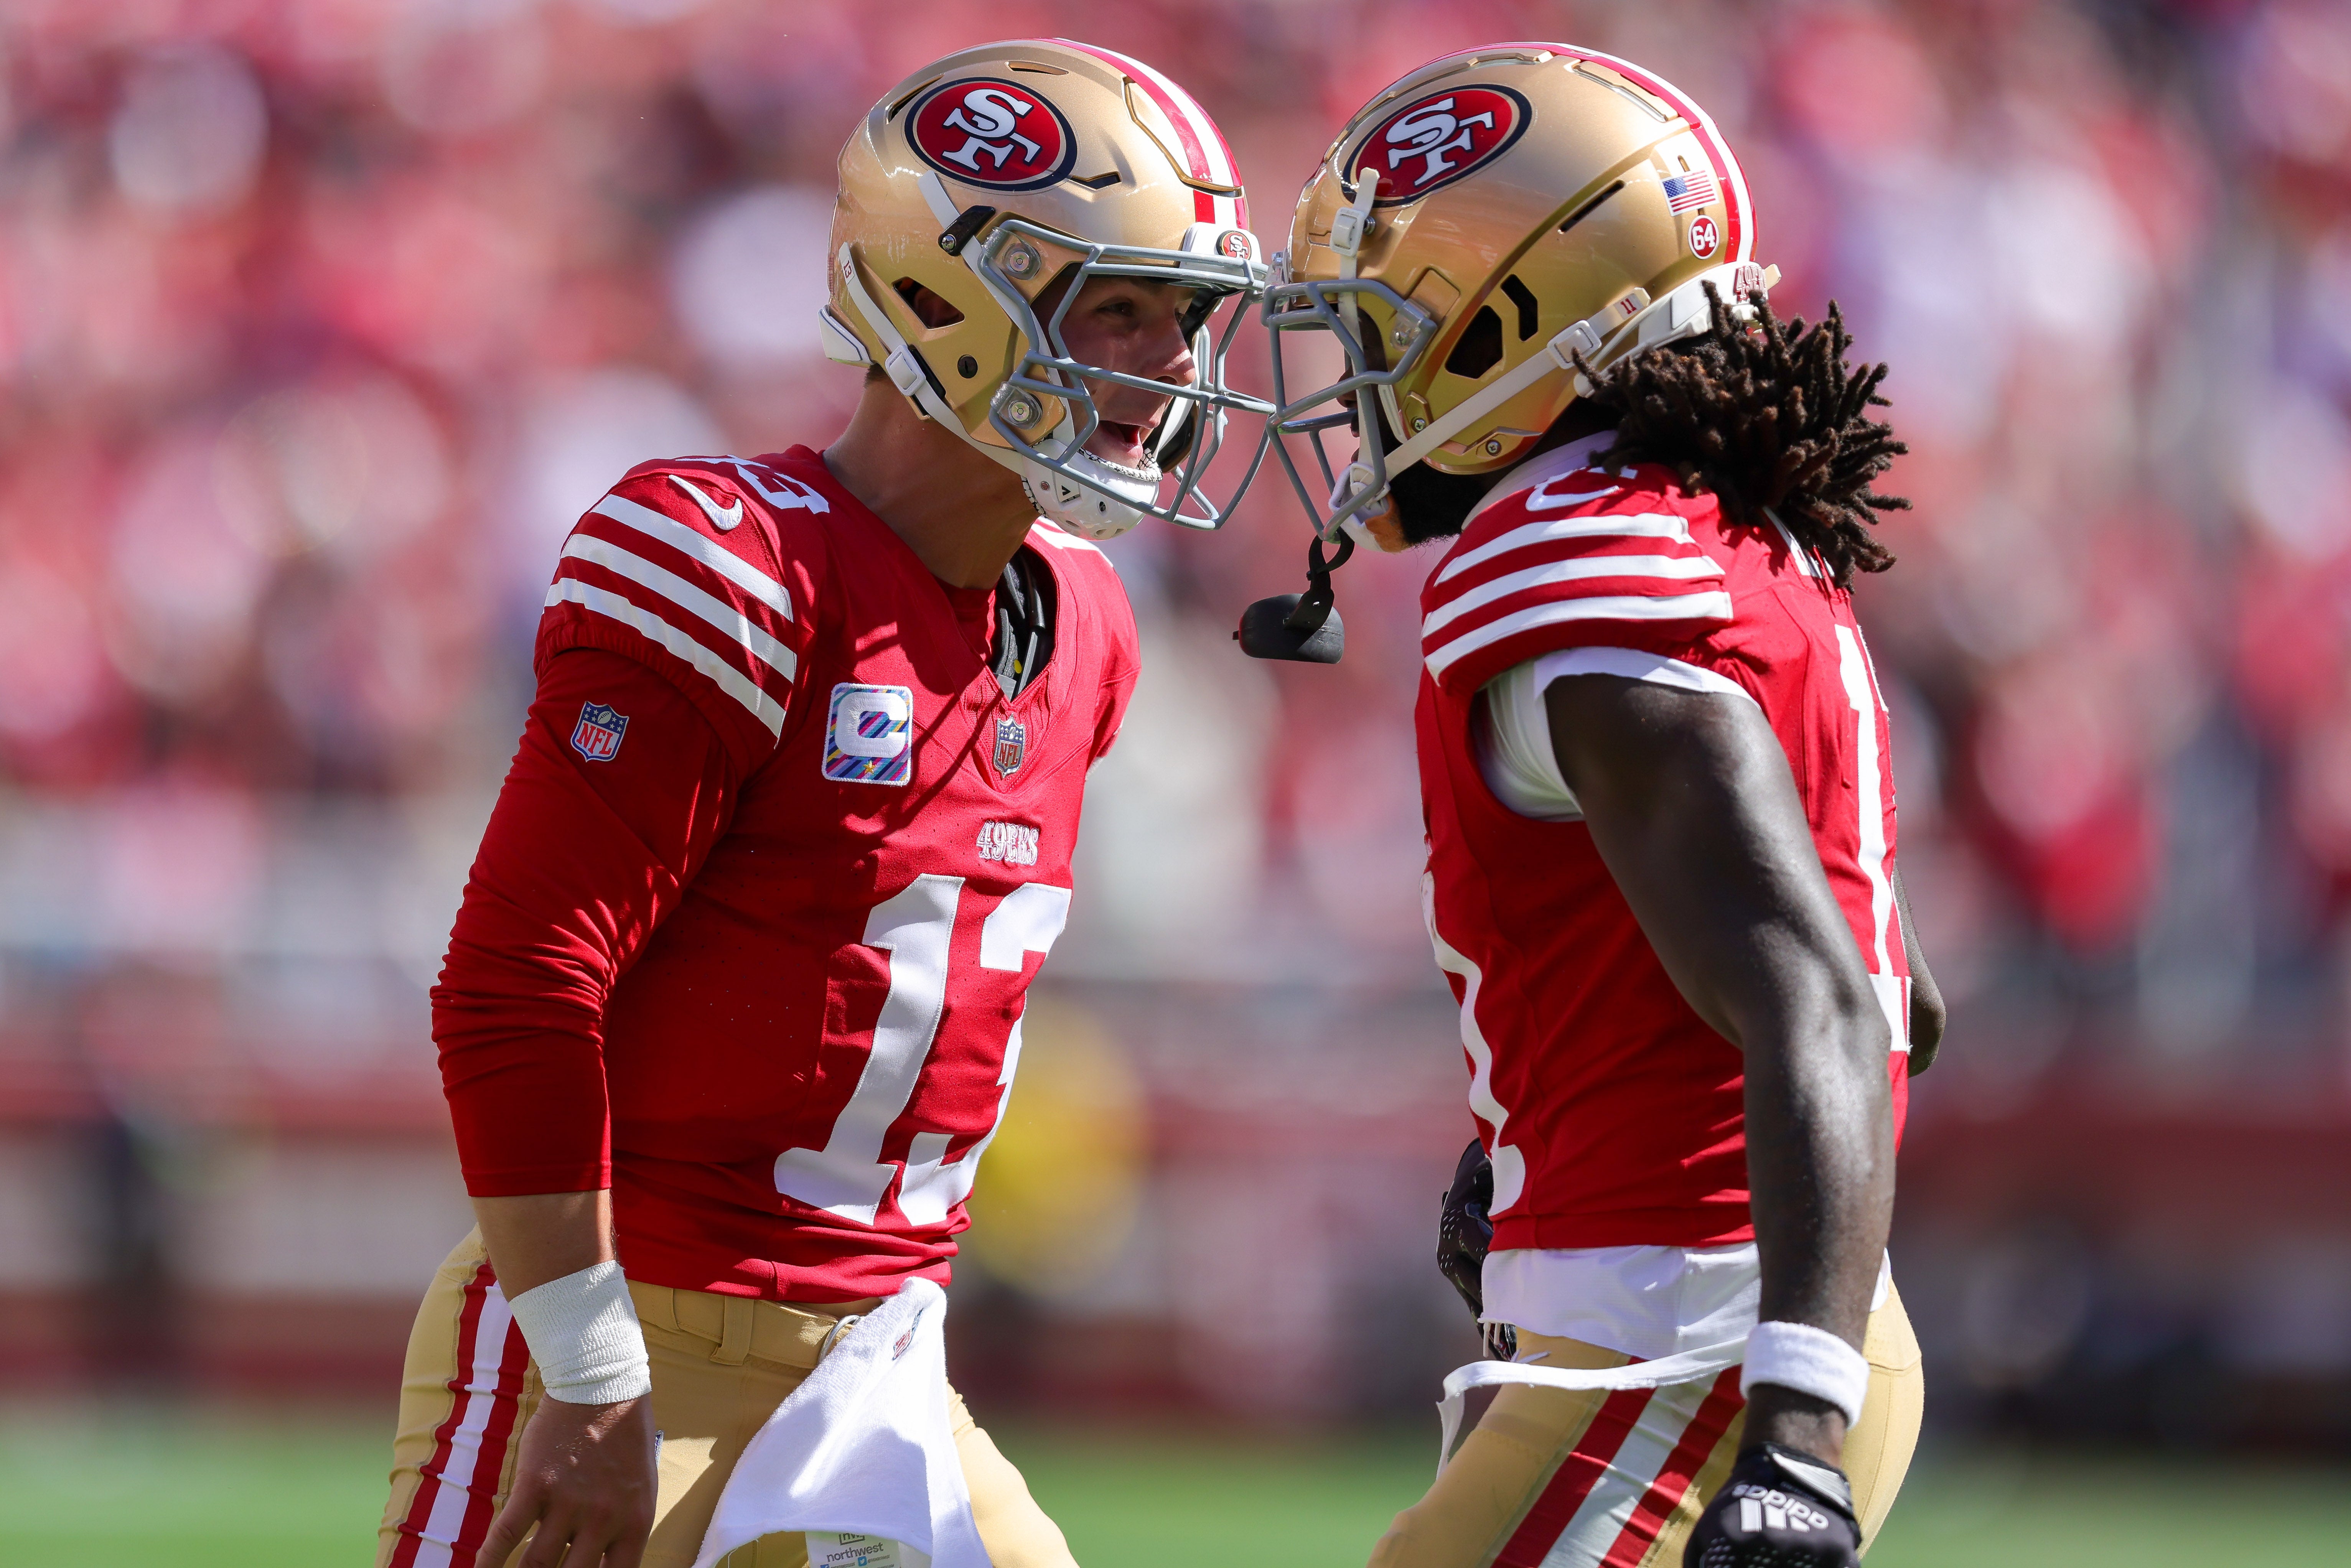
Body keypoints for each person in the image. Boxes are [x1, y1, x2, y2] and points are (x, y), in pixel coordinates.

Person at [377, 39, 1264, 1568]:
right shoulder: (729, 559)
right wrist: (589, 1373)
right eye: (1116, 309)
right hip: (626, 1339)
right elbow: (516, 980)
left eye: (1186, 321)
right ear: (939, 296)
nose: (1165, 368)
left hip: (882, 1363)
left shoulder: (1092, 624)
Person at [1253, 44, 1944, 1567]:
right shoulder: (1708, 533)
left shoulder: (1568, 562)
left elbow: (1829, 1001)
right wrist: (1550, 1136)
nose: (1360, 378)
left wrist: (1798, 1431)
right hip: (1688, 1321)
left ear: (1518, 321)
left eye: (1391, 325)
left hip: (1682, 1347)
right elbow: (1892, 984)